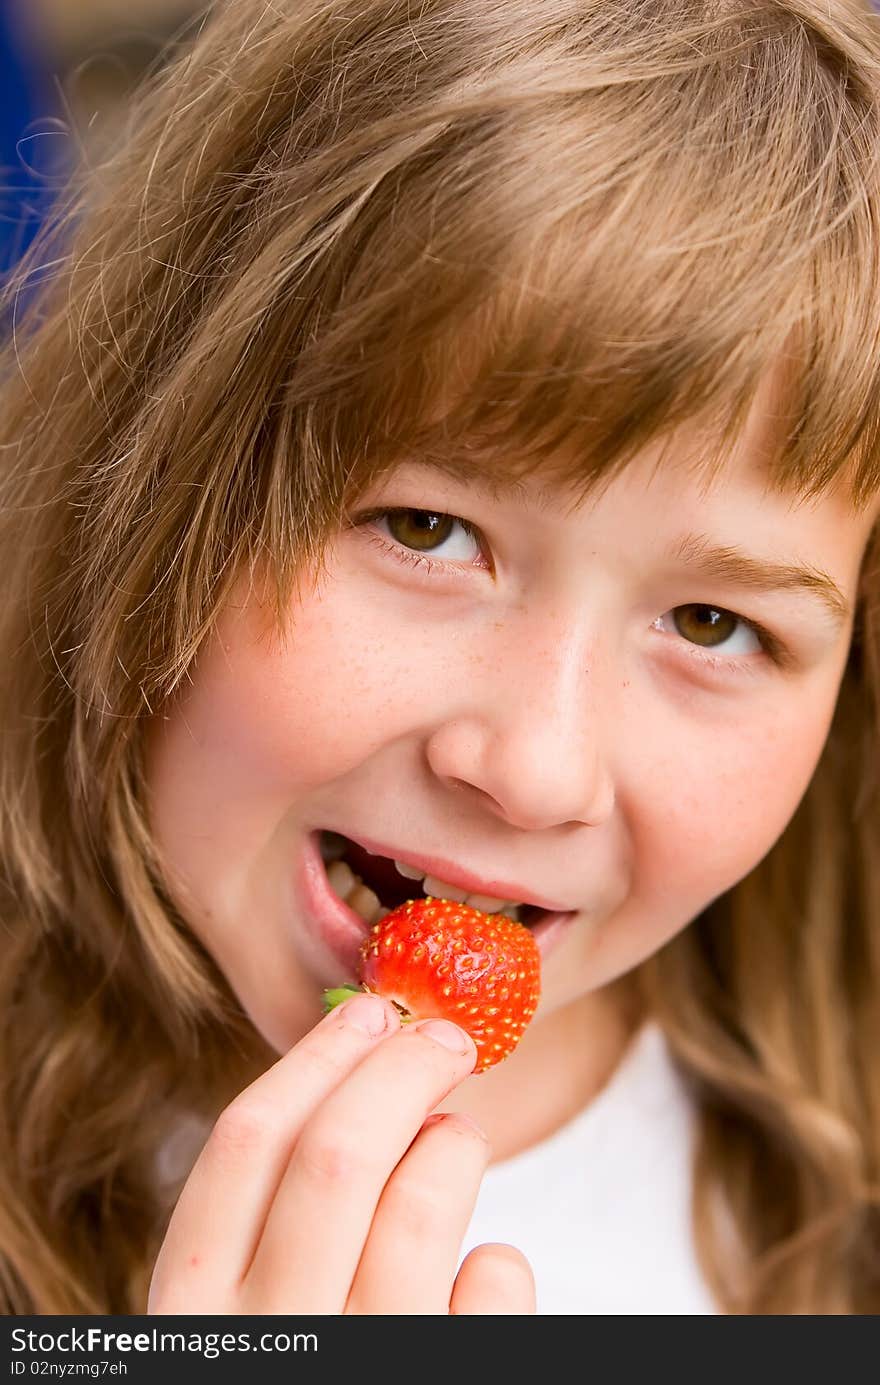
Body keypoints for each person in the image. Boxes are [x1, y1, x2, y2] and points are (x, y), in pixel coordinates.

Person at [1, 0, 879, 1317]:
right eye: (429, 529)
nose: (534, 769)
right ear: (152, 477)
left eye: (713, 624)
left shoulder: (827, 1214)